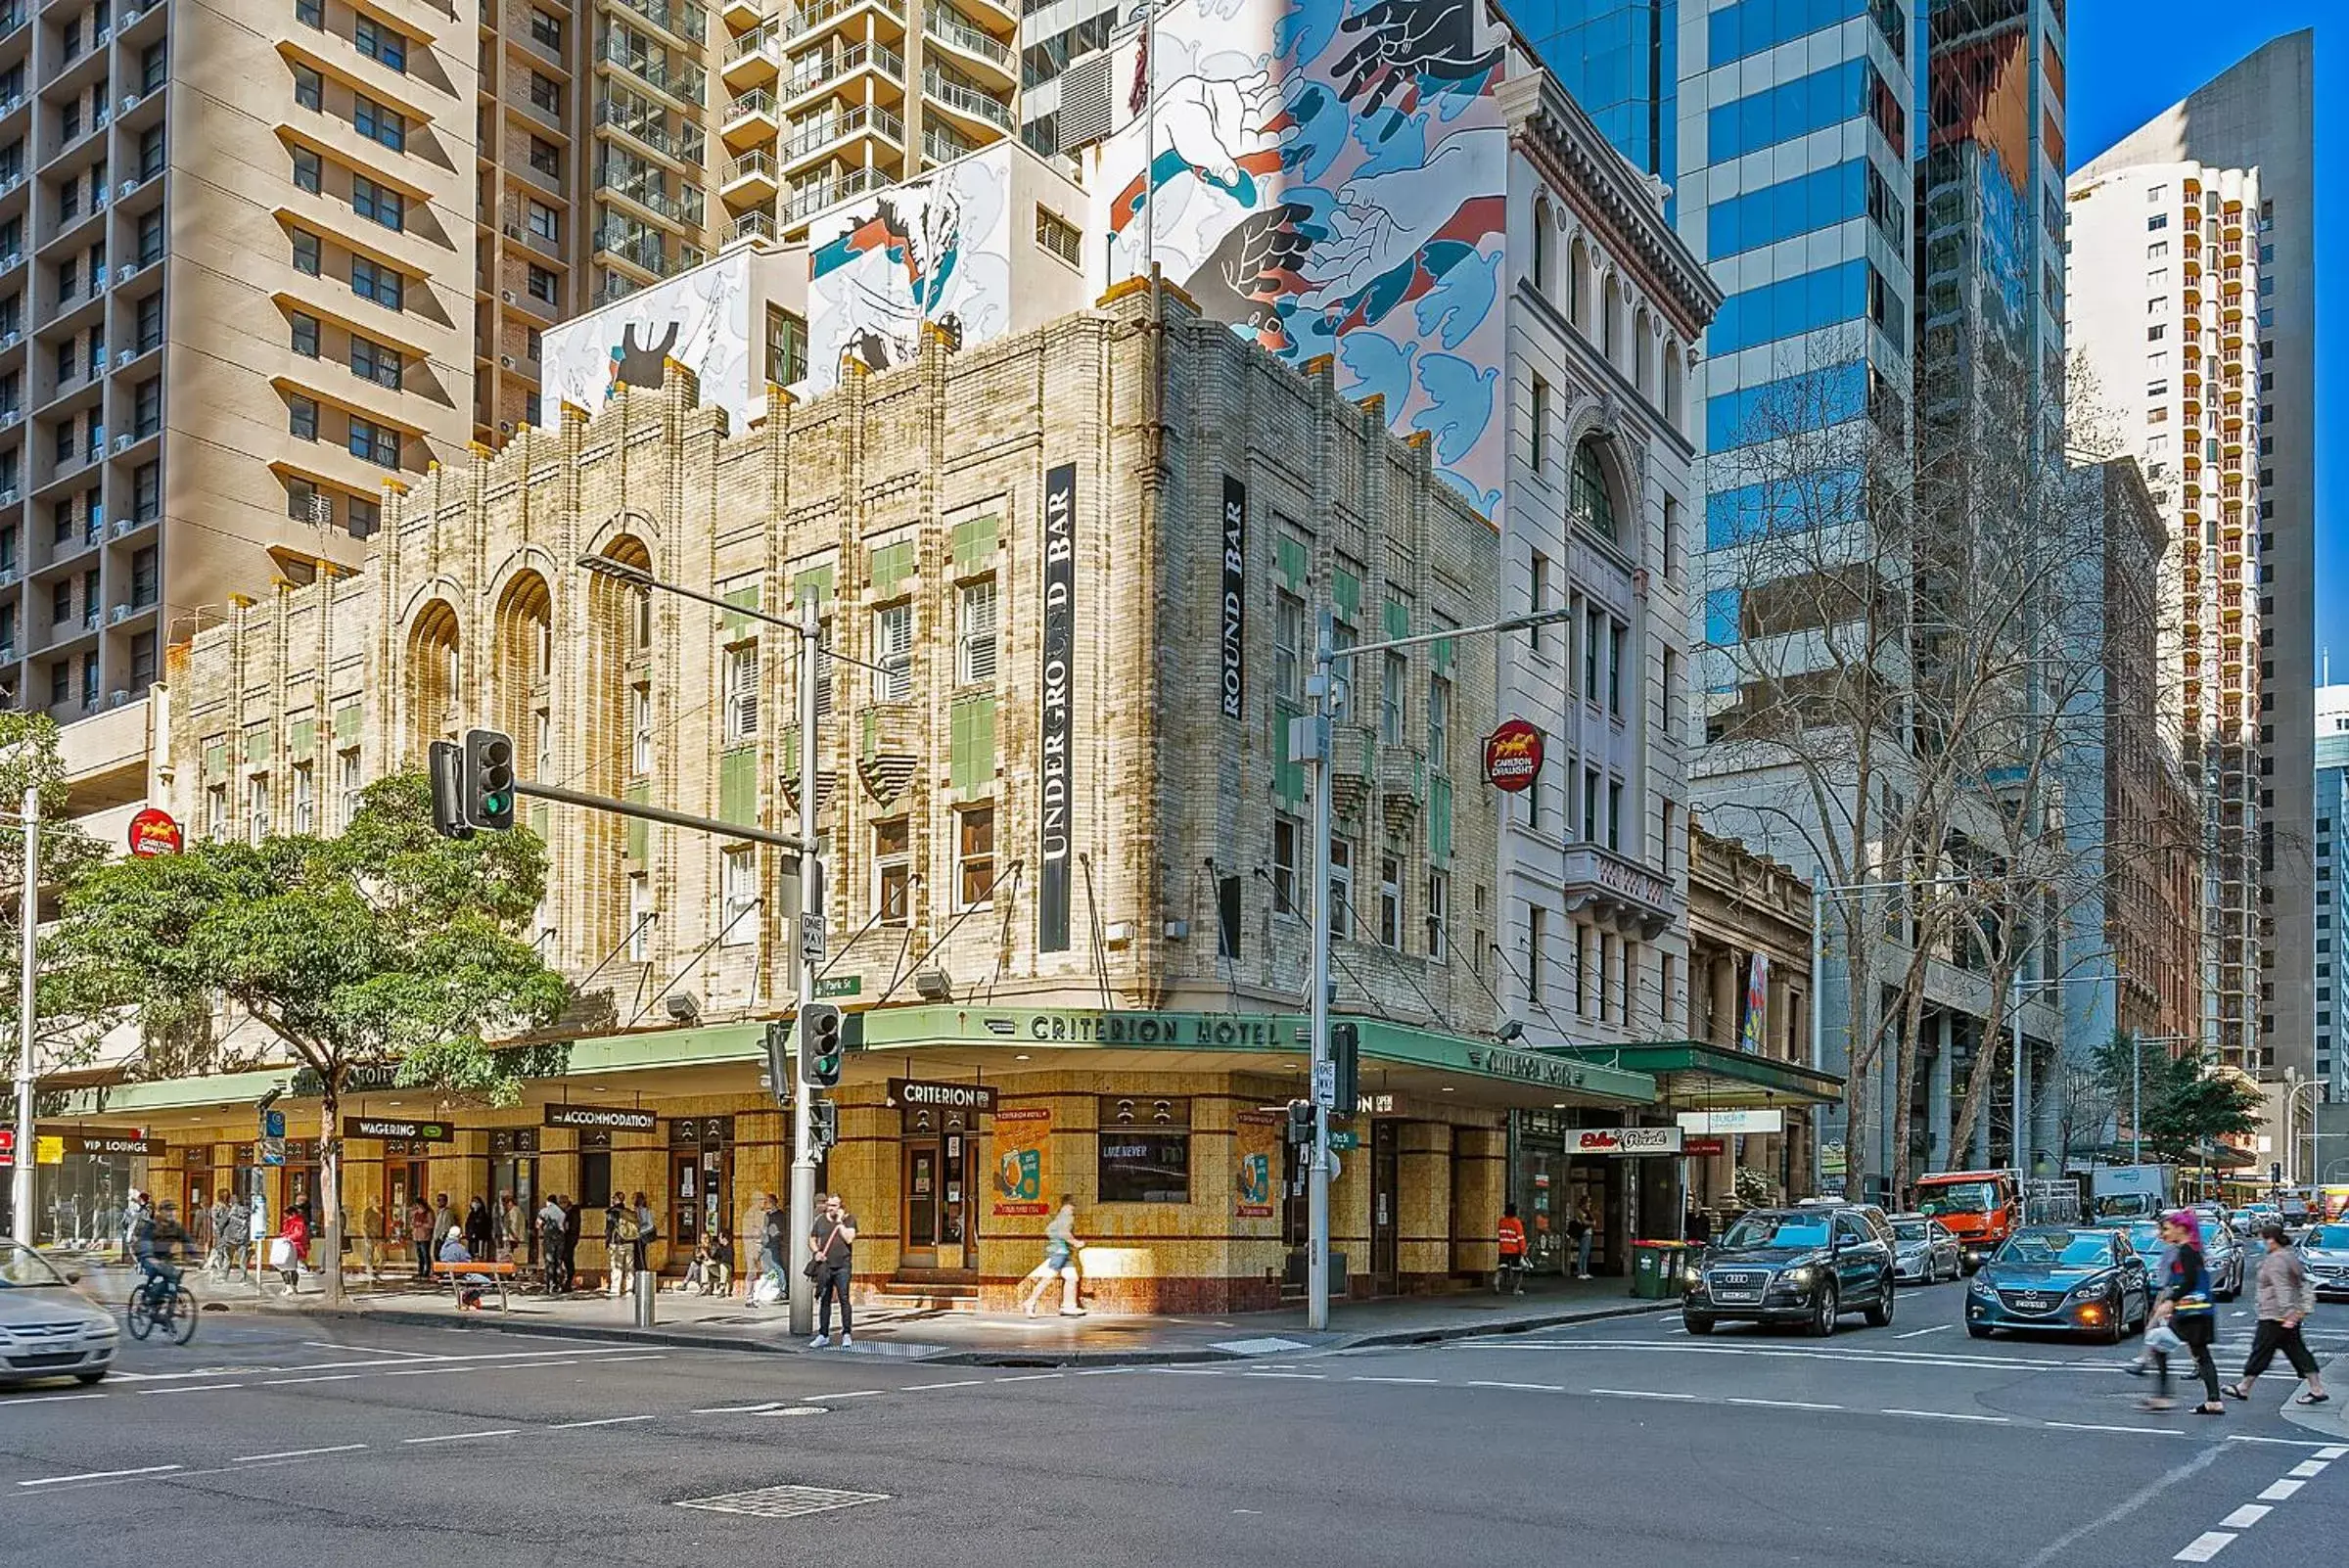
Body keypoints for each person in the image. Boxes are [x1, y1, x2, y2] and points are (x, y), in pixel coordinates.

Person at [2224, 1222, 2328, 1407]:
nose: (2260, 1243)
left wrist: (2288, 1314)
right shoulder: (2289, 1255)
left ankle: (2244, 1387)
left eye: (2262, 1239)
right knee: (2297, 1352)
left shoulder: (2276, 1260)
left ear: (2271, 1240)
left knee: (2261, 1350)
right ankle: (2316, 1389)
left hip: (2275, 1315)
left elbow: (2282, 1288)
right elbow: (2298, 1281)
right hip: (2286, 1314)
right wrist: (2294, 1313)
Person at [2142, 1209, 2224, 1415]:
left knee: (2161, 1345)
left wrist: (2170, 1300)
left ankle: (2163, 1397)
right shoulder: (2191, 1250)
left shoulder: (2185, 1251)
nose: (2164, 1234)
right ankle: (2213, 1400)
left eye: (2168, 1229)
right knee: (2200, 1353)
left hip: (2190, 1311)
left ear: (2181, 1229)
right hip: (2199, 1310)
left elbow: (2189, 1281)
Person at [1018, 1197, 1086, 1317]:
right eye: (1072, 1206)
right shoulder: (1067, 1217)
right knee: (1048, 1278)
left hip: (1063, 1253)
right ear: (1068, 1205)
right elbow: (1064, 1233)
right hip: (1060, 1252)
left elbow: (1049, 1230)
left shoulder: (1059, 1217)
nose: (1073, 1209)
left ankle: (1069, 1306)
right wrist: (1076, 1242)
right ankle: (1030, 1302)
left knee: (1071, 1277)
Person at [807, 1191, 857, 1348]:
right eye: (829, 1205)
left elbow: (849, 1238)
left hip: (843, 1265)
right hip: (825, 1265)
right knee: (825, 1299)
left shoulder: (849, 1220)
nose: (830, 1209)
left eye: (834, 1206)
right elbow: (812, 1238)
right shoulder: (821, 1220)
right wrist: (816, 1252)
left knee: (844, 1298)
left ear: (841, 1207)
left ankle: (847, 1333)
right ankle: (823, 1334)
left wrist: (840, 1222)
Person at [131, 1199, 190, 1313]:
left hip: (163, 1259)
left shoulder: (176, 1227)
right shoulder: (152, 1226)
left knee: (174, 1275)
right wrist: (149, 1256)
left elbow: (187, 1240)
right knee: (159, 1270)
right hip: (148, 1257)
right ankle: (148, 1301)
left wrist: (194, 1256)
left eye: (173, 1210)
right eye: (168, 1210)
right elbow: (145, 1241)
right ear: (160, 1212)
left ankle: (166, 1306)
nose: (171, 1213)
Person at [438, 1226, 487, 1311]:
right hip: (461, 1275)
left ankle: (467, 1298)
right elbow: (468, 1262)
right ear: (459, 1236)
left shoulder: (443, 1248)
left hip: (448, 1275)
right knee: (486, 1282)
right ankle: (468, 1299)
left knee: (473, 1280)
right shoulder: (459, 1248)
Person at [276, 1203, 311, 1295]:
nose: (286, 1217)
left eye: (287, 1215)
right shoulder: (297, 1221)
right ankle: (293, 1287)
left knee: (284, 1267)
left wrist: (287, 1237)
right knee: (291, 1268)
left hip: (293, 1247)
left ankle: (289, 1286)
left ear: (291, 1213)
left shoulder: (297, 1222)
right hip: (295, 1246)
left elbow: (298, 1234)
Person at [759, 1193, 787, 1304]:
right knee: (768, 1266)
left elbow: (780, 1230)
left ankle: (782, 1289)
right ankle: (770, 1288)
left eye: (768, 1201)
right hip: (766, 1243)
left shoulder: (780, 1215)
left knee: (777, 1265)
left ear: (773, 1202)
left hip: (774, 1243)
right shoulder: (767, 1215)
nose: (766, 1203)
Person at [605, 1195, 635, 1297]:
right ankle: (629, 1289)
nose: (612, 1199)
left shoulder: (612, 1212)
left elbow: (609, 1229)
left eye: (613, 1198)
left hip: (617, 1242)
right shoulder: (628, 1212)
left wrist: (608, 1242)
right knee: (629, 1266)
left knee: (617, 1266)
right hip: (630, 1242)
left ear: (617, 1199)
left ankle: (615, 1289)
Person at [537, 1195, 568, 1294]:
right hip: (560, 1240)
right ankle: (558, 1285)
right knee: (558, 1262)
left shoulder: (544, 1211)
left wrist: (544, 1230)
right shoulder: (562, 1213)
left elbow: (538, 1224)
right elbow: (565, 1227)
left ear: (548, 1202)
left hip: (549, 1240)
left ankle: (548, 1286)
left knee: (549, 1262)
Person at [1496, 1203, 1529, 1295]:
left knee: (1502, 1267)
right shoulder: (1516, 1222)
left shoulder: (1501, 1221)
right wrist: (1524, 1252)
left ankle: (1496, 1282)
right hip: (1514, 1250)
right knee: (1517, 1271)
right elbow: (1520, 1238)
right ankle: (1516, 1289)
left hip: (1503, 1249)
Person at [356, 1199, 384, 1285]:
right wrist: (366, 1236)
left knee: (381, 1255)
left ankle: (378, 1271)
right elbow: (364, 1225)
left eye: (379, 1200)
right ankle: (370, 1271)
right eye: (377, 1201)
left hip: (379, 1236)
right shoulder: (368, 1211)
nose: (379, 1202)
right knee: (369, 1254)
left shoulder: (380, 1211)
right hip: (370, 1236)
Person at [407, 1200, 435, 1283]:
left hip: (425, 1237)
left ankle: (427, 1270)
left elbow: (431, 1224)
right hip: (417, 1237)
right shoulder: (416, 1213)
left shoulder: (428, 1213)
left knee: (425, 1254)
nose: (418, 1207)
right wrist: (413, 1224)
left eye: (419, 1205)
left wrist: (421, 1224)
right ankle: (420, 1270)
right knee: (419, 1255)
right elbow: (411, 1223)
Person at [1569, 1200, 1595, 1280]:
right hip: (1584, 1234)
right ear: (1583, 1203)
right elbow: (1584, 1222)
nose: (1589, 1204)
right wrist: (1591, 1223)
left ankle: (1584, 1272)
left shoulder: (1587, 1211)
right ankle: (1580, 1272)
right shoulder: (1580, 1211)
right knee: (1582, 1253)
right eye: (1588, 1202)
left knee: (1586, 1254)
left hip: (1588, 1233)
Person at [498, 1194, 528, 1264]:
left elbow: (514, 1225)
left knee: (512, 1253)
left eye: (505, 1204)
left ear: (510, 1203)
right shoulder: (517, 1210)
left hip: (513, 1237)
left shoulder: (514, 1211)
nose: (505, 1206)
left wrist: (514, 1235)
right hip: (514, 1236)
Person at [463, 1196, 494, 1261]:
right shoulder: (471, 1214)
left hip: (480, 1239)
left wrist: (476, 1233)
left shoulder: (483, 1215)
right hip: (471, 1239)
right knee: (471, 1255)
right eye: (473, 1201)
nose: (474, 1203)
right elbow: (468, 1225)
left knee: (479, 1256)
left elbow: (484, 1227)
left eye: (476, 1202)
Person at [706, 1227, 734, 1297]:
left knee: (723, 1266)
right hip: (719, 1269)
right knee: (705, 1264)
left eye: (720, 1237)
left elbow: (728, 1260)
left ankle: (722, 1288)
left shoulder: (730, 1247)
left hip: (727, 1269)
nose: (718, 1238)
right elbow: (713, 1257)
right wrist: (707, 1254)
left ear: (724, 1238)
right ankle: (706, 1286)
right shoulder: (720, 1247)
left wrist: (718, 1262)